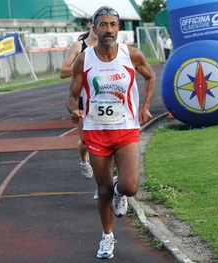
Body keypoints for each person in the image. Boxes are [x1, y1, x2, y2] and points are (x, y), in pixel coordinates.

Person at [67, 6, 156, 259]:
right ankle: (107, 237)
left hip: (126, 128)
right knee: (102, 188)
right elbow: (71, 96)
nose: (108, 29)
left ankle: (120, 191)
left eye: (113, 25)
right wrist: (74, 110)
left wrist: (146, 106)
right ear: (94, 29)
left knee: (129, 187)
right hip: (96, 131)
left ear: (119, 28)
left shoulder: (132, 55)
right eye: (103, 25)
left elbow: (150, 77)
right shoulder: (84, 60)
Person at [60, 18, 97, 198]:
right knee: (86, 143)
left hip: (103, 102)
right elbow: (63, 71)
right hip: (83, 102)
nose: (103, 28)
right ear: (91, 25)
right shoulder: (78, 46)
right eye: (99, 24)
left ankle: (103, 186)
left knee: (106, 146)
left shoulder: (109, 47)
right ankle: (83, 160)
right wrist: (83, 66)